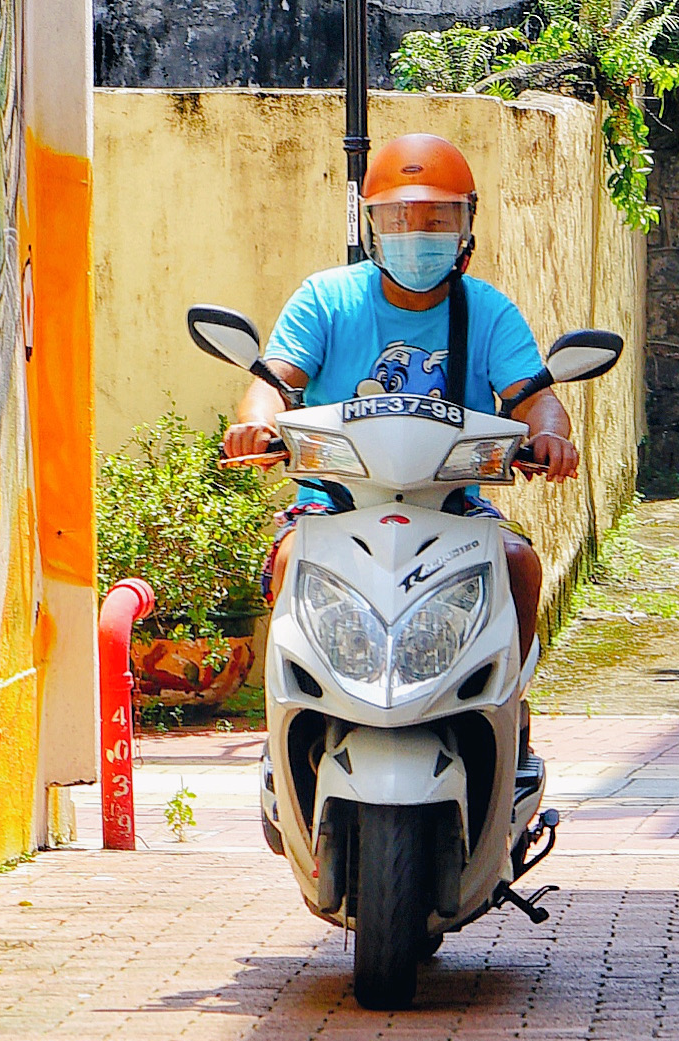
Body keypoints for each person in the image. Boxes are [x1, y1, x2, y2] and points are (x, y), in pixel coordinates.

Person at [220, 131, 579, 675]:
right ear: (373, 228)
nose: (417, 234)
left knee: (516, 562)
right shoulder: (325, 298)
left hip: (449, 504)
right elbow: (275, 379)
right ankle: (296, 703)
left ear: (465, 227)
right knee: (295, 559)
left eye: (439, 219)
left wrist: (550, 436)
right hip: (334, 501)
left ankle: (507, 700)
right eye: (398, 219)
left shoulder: (488, 311)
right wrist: (255, 424)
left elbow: (533, 397)